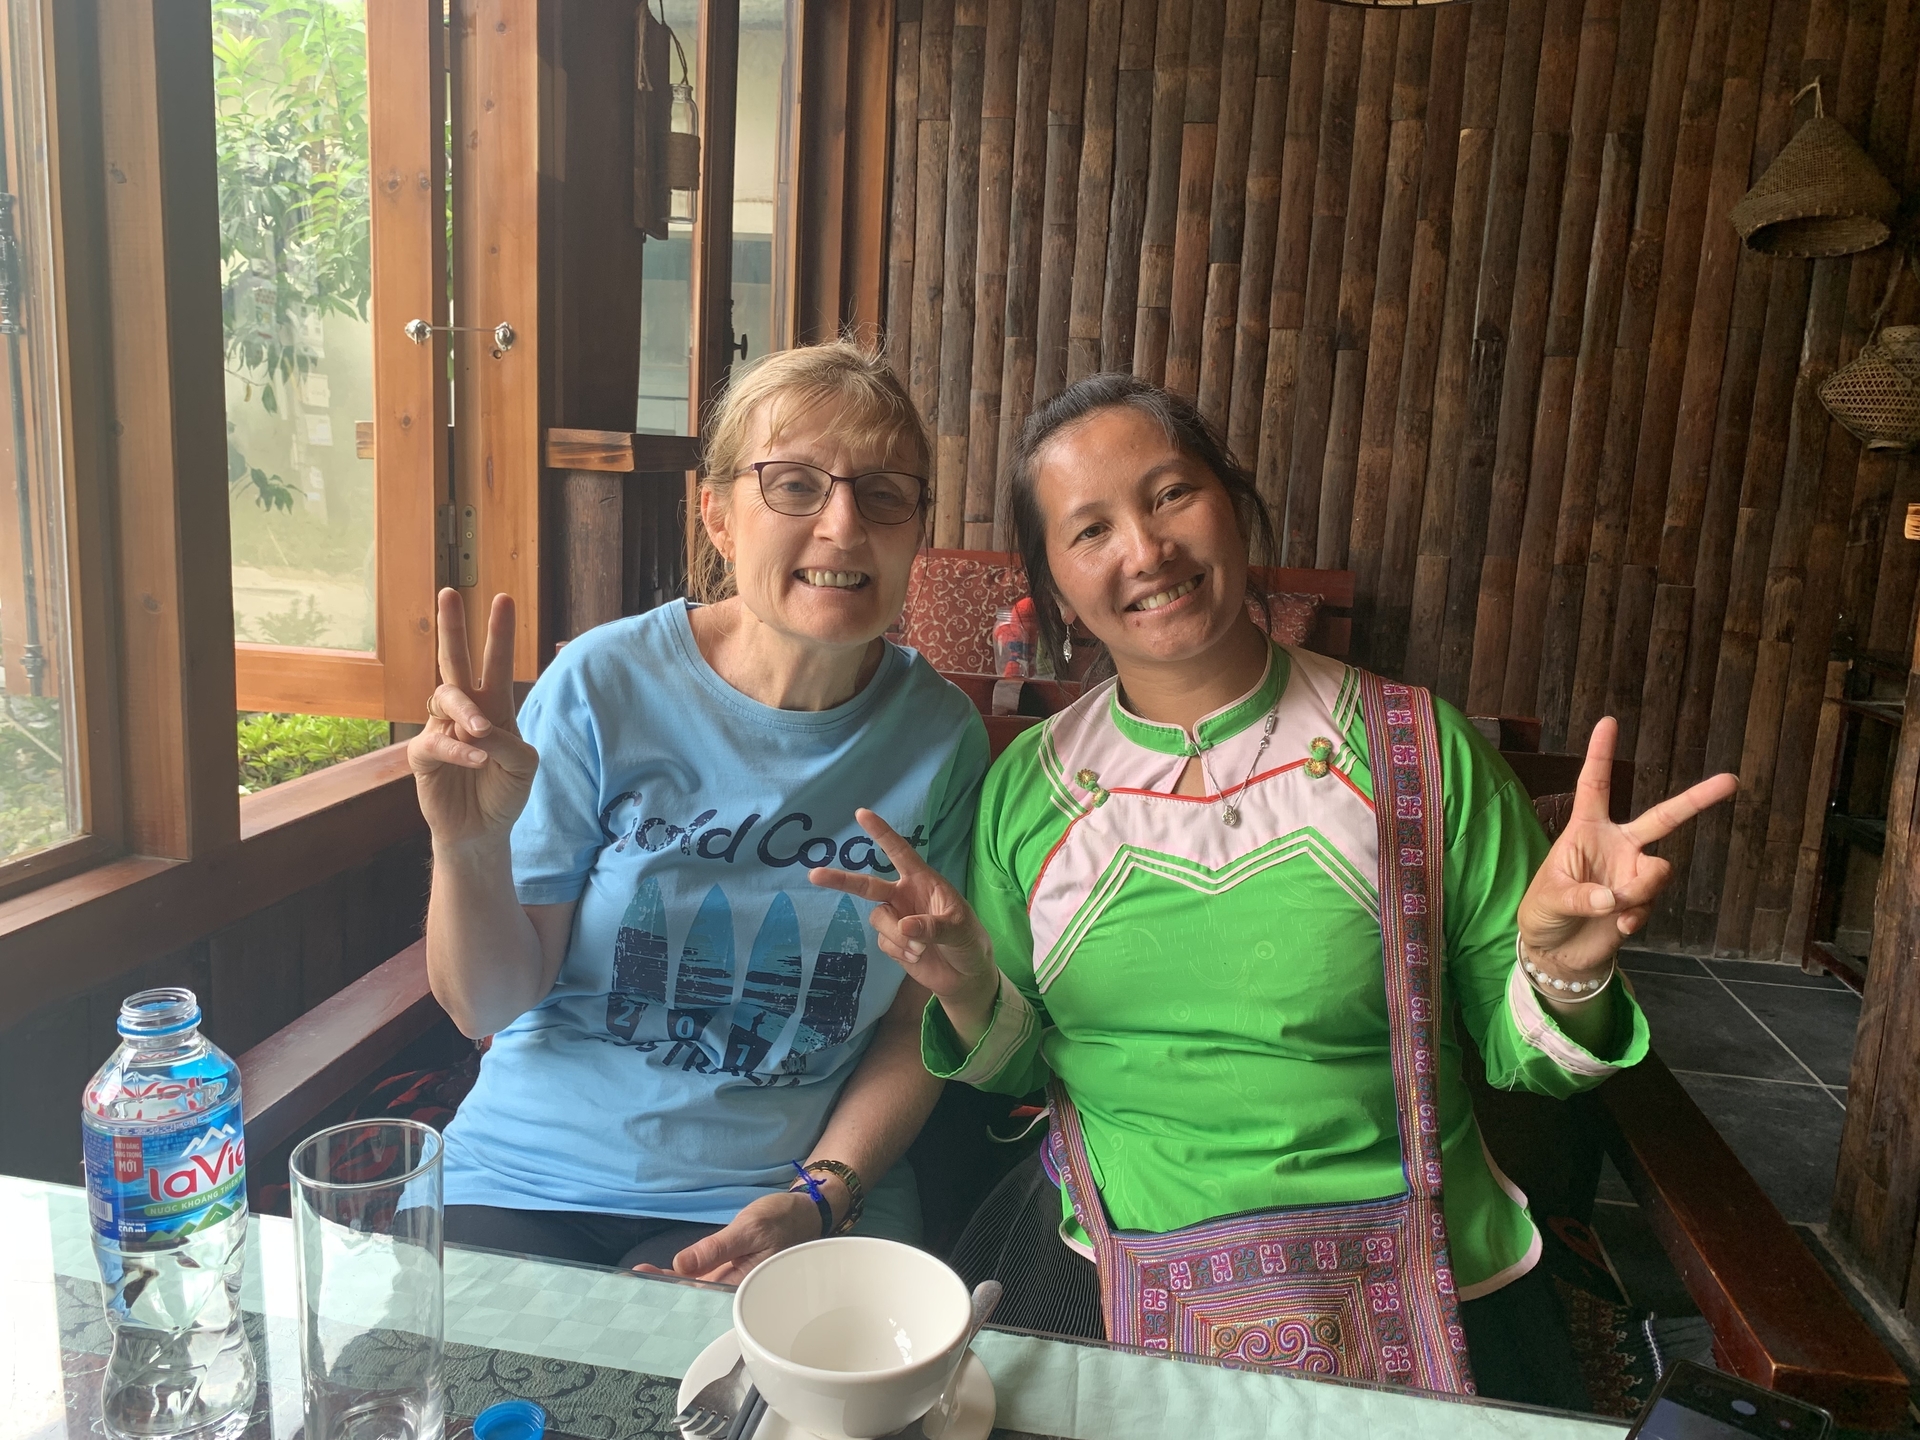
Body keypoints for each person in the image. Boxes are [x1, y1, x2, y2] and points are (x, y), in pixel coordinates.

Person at [812, 373, 1736, 1406]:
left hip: (1424, 1264)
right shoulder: (1031, 788)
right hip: (1103, 1260)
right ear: (1057, 589)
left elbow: (1528, 1061)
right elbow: (1016, 1057)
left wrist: (1564, 972)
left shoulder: (1417, 751)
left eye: (1171, 494)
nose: (1146, 551)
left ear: (1234, 505)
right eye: (1091, 530)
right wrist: (968, 989)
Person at [410, 340, 987, 1281]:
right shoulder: (603, 684)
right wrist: (465, 847)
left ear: (917, 530)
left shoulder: (940, 735)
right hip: (526, 1175)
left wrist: (824, 1194)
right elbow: (484, 1002)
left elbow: (911, 1026)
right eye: (794, 485)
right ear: (718, 515)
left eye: (884, 494)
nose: (844, 526)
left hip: (781, 1197)